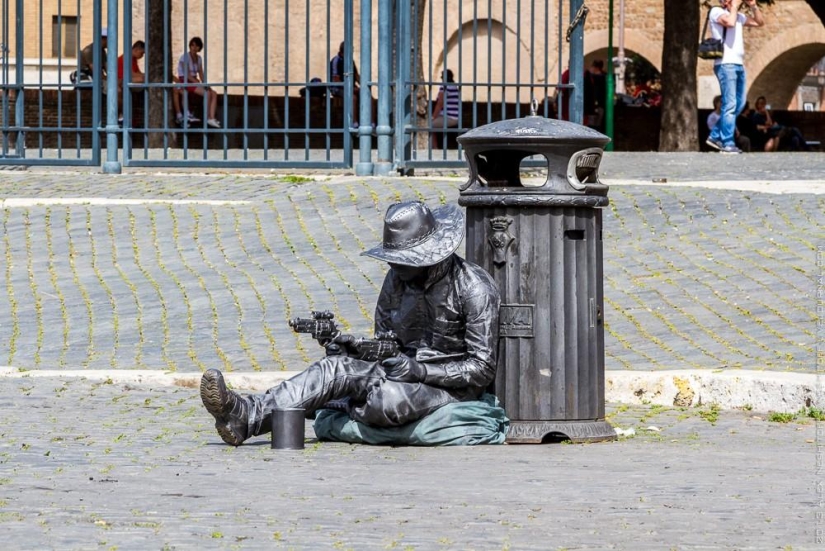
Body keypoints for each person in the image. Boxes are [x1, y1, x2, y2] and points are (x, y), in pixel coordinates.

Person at [200, 200, 502, 446]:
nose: (393, 266)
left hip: (445, 387)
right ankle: (245, 415)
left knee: (388, 400)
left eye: (403, 259)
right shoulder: (397, 279)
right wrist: (354, 348)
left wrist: (421, 370)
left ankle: (322, 403)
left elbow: (482, 367)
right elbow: (387, 343)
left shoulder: (473, 287)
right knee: (333, 369)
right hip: (397, 374)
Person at [705, 0, 765, 154]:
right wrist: (735, 6)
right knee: (730, 104)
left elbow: (760, 22)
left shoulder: (738, 15)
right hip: (725, 64)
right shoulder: (716, 12)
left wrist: (753, 5)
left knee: (739, 103)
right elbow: (730, 23)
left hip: (738, 64)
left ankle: (715, 135)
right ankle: (727, 143)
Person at [177, 36, 220, 128]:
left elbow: (201, 73)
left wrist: (205, 83)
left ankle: (212, 117)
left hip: (194, 80)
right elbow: (186, 74)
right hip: (185, 80)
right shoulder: (185, 56)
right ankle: (207, 117)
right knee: (207, 93)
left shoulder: (199, 58)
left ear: (199, 48)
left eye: (196, 46)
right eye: (192, 45)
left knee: (214, 93)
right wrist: (198, 83)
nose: (194, 47)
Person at [329, 41, 362, 128]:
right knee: (353, 98)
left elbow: (356, 75)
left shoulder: (351, 61)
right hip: (337, 88)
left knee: (368, 97)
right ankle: (354, 124)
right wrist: (351, 88)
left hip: (350, 87)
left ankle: (372, 124)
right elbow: (336, 81)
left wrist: (365, 86)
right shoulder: (336, 61)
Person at [116, 40, 146, 124]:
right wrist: (145, 77)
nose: (142, 56)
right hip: (121, 81)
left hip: (126, 80)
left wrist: (145, 76)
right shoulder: (126, 58)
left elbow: (138, 73)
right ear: (136, 50)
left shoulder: (133, 59)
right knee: (142, 80)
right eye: (142, 53)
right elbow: (130, 74)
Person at [430, 69, 461, 148]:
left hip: (449, 118)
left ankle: (434, 148)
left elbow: (440, 103)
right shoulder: (454, 86)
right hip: (454, 117)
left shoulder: (445, 86)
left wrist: (433, 117)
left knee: (427, 125)